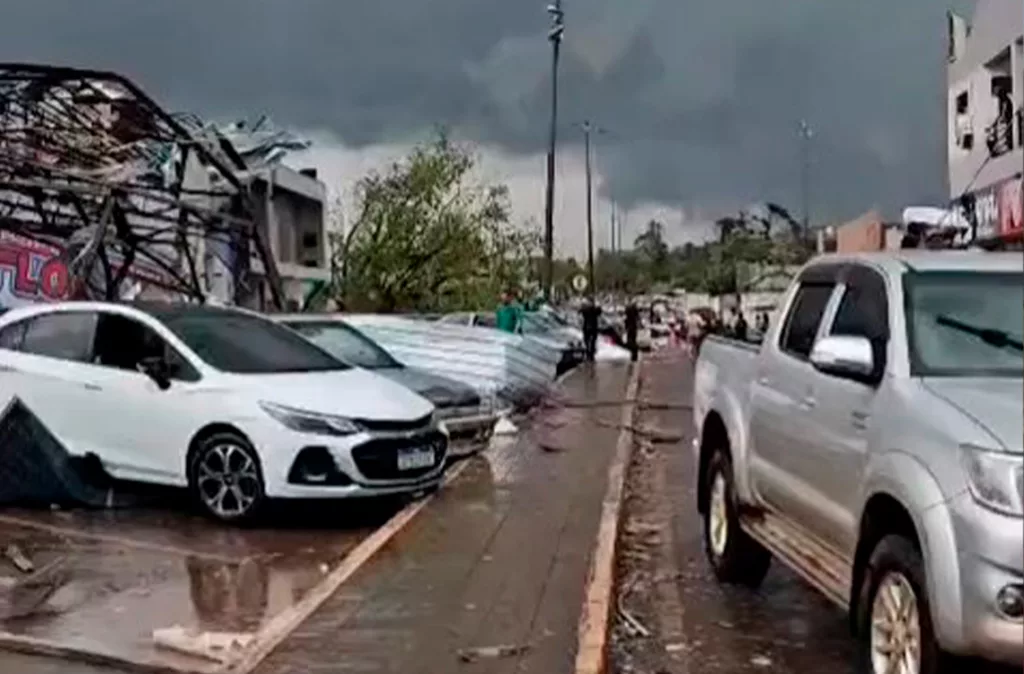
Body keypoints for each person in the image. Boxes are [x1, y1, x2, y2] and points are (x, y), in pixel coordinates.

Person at [580, 297, 602, 362]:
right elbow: (599, 311)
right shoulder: (592, 309)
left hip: (588, 327)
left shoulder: (586, 308)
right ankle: (590, 356)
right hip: (591, 327)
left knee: (589, 342)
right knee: (591, 342)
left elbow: (599, 312)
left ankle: (589, 355)